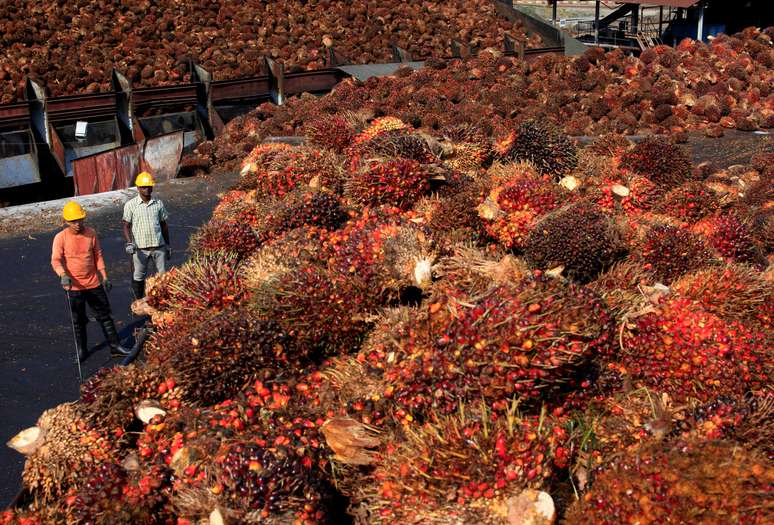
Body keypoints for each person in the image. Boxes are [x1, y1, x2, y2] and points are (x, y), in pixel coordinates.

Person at [51, 201, 130, 362]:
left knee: (105, 315)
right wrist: (62, 275)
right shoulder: (60, 238)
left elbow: (98, 255)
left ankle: (115, 346)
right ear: (65, 221)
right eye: (73, 221)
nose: (77, 224)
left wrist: (104, 276)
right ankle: (82, 350)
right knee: (79, 320)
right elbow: (55, 260)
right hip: (74, 287)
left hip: (93, 283)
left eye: (80, 220)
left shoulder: (91, 233)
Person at [122, 171, 170, 300]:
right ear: (138, 188)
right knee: (138, 276)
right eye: (144, 187)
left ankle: (163, 300)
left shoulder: (158, 203)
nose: (147, 189)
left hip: (159, 246)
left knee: (162, 276)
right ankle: (138, 301)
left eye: (149, 186)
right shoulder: (130, 205)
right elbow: (126, 225)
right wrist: (129, 243)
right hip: (140, 249)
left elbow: (164, 225)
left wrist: (168, 245)